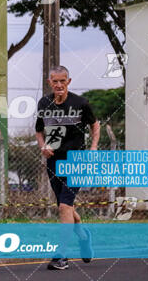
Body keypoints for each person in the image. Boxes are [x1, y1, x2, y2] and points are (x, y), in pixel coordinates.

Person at [35, 65, 100, 270]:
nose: (59, 85)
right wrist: (43, 146)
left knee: (64, 207)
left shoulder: (80, 103)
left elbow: (95, 125)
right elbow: (39, 130)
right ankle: (83, 236)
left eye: (63, 81)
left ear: (68, 82)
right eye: (55, 81)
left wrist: (93, 148)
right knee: (66, 208)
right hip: (54, 162)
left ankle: (61, 256)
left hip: (76, 161)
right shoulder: (44, 103)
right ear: (50, 83)